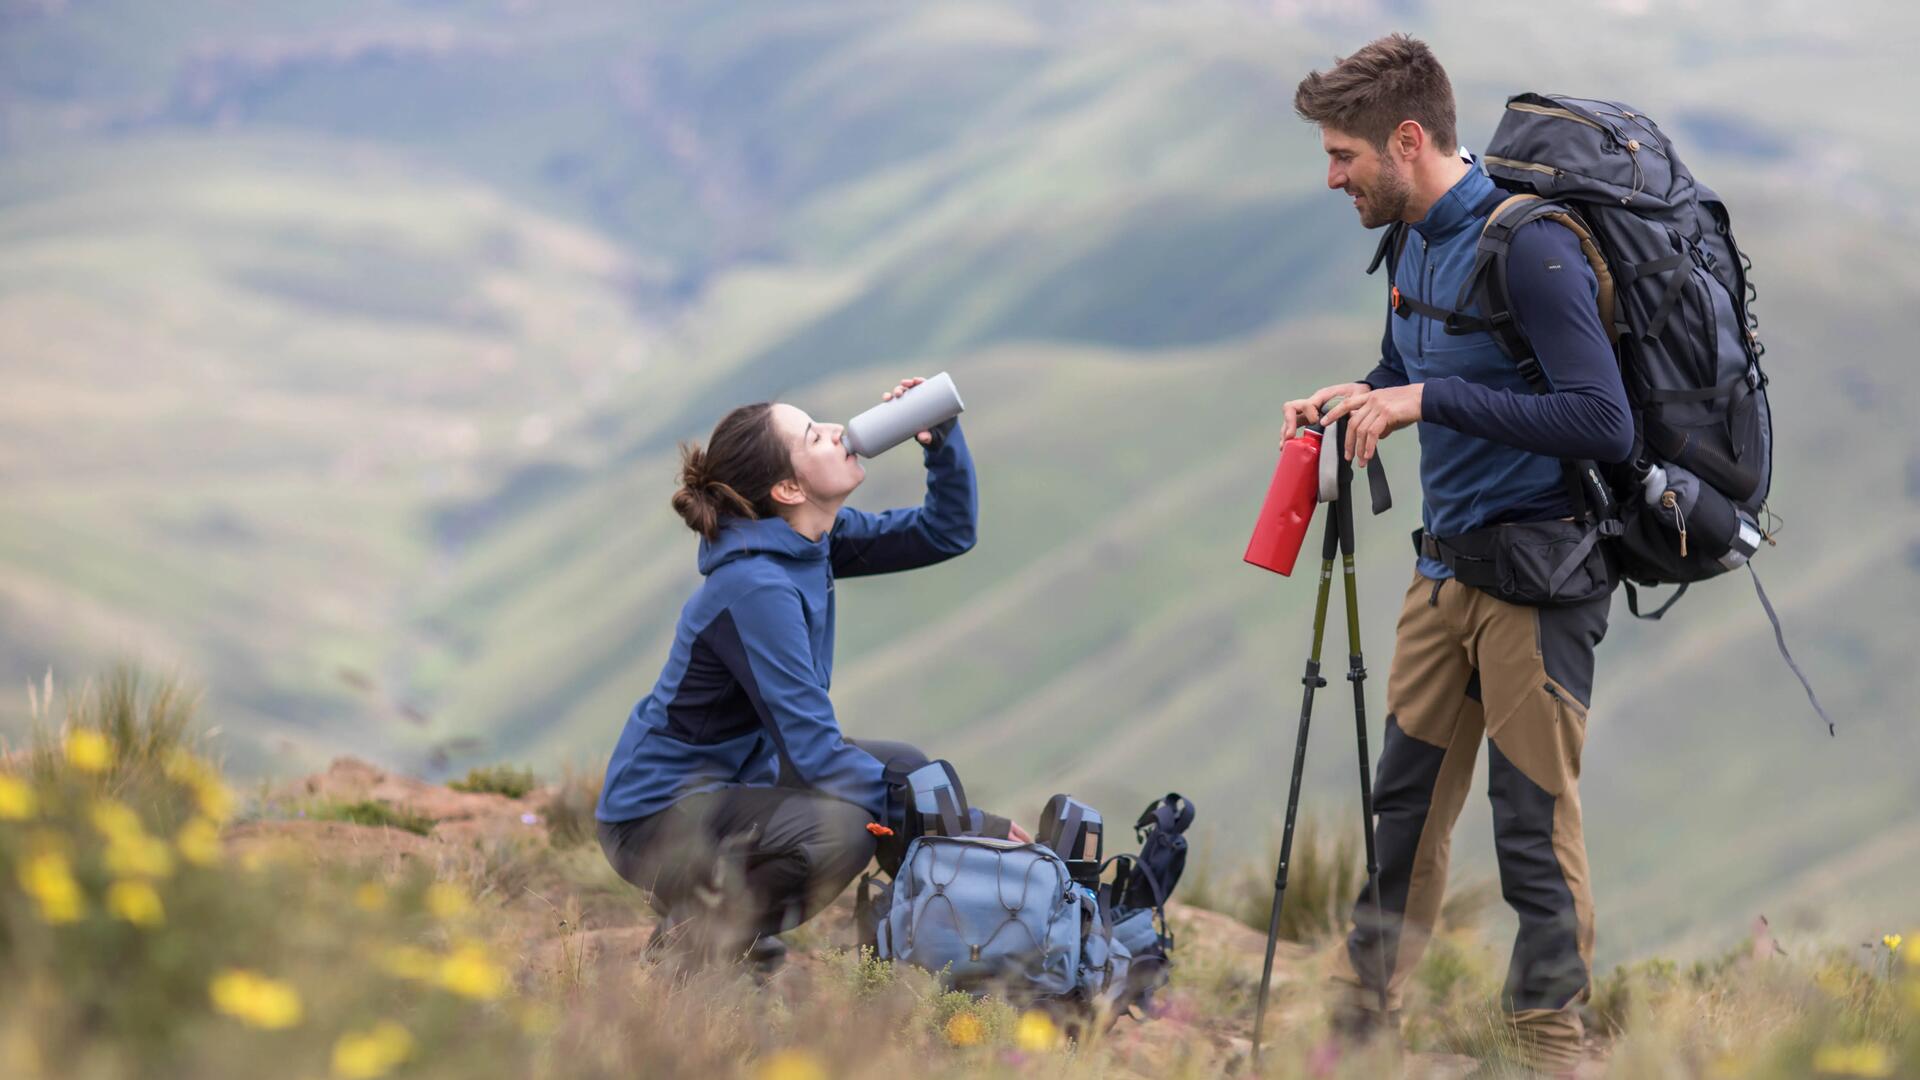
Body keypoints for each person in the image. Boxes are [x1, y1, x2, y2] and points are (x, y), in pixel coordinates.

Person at [1282, 35, 1633, 1076]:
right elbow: (1409, 361)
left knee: (1530, 830)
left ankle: (1548, 1048)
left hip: (1540, 582)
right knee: (1403, 814)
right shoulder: (1414, 243)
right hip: (1445, 574)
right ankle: (1359, 1030)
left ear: (1405, 139)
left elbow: (1601, 421)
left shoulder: (1532, 246)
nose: (1332, 177)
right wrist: (1362, 393)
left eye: (1343, 155)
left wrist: (1421, 401)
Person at [595, 377, 1025, 971]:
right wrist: (966, 824)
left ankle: (957, 945)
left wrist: (941, 440)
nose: (835, 430)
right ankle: (700, 940)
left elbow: (944, 532)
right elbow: (818, 757)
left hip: (744, 775)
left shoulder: (810, 539)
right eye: (811, 434)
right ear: (789, 487)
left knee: (905, 767)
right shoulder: (755, 588)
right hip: (658, 820)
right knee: (842, 829)